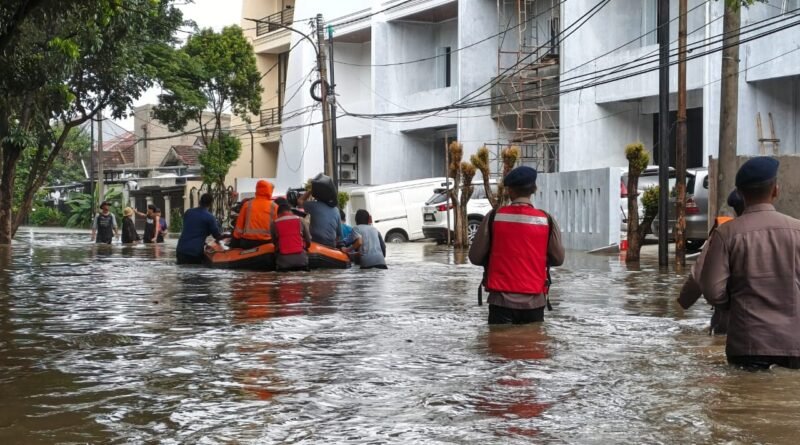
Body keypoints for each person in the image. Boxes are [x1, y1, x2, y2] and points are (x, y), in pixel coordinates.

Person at [700, 157, 800, 370]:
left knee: (744, 399)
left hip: (747, 343)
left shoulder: (726, 233)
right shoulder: (797, 230)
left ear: (741, 194)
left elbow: (711, 290)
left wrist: (733, 305)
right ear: (776, 190)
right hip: (794, 343)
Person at [469, 166, 565, 324]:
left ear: (509, 191)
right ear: (534, 189)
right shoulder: (546, 220)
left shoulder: (494, 217)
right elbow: (559, 259)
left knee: (499, 347)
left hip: (500, 302)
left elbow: (475, 257)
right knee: (532, 347)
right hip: (534, 303)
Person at [677, 190, 744, 335]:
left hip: (731, 320)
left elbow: (699, 274)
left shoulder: (725, 233)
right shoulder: (791, 229)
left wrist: (683, 302)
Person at [176, 193, 223, 264]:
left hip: (181, 250)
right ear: (210, 204)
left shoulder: (188, 212)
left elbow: (191, 228)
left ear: (199, 201)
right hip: (194, 252)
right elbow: (216, 235)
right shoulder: (210, 217)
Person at [232, 179, 277, 249]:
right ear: (269, 191)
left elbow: (239, 226)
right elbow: (277, 228)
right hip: (267, 243)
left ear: (257, 190)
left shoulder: (247, 204)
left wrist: (235, 242)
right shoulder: (274, 206)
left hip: (248, 243)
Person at [271, 202, 312, 271]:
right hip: (302, 261)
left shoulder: (274, 224)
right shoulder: (301, 220)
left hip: (283, 263)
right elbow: (308, 241)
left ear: (278, 214)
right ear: (290, 211)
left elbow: (274, 242)